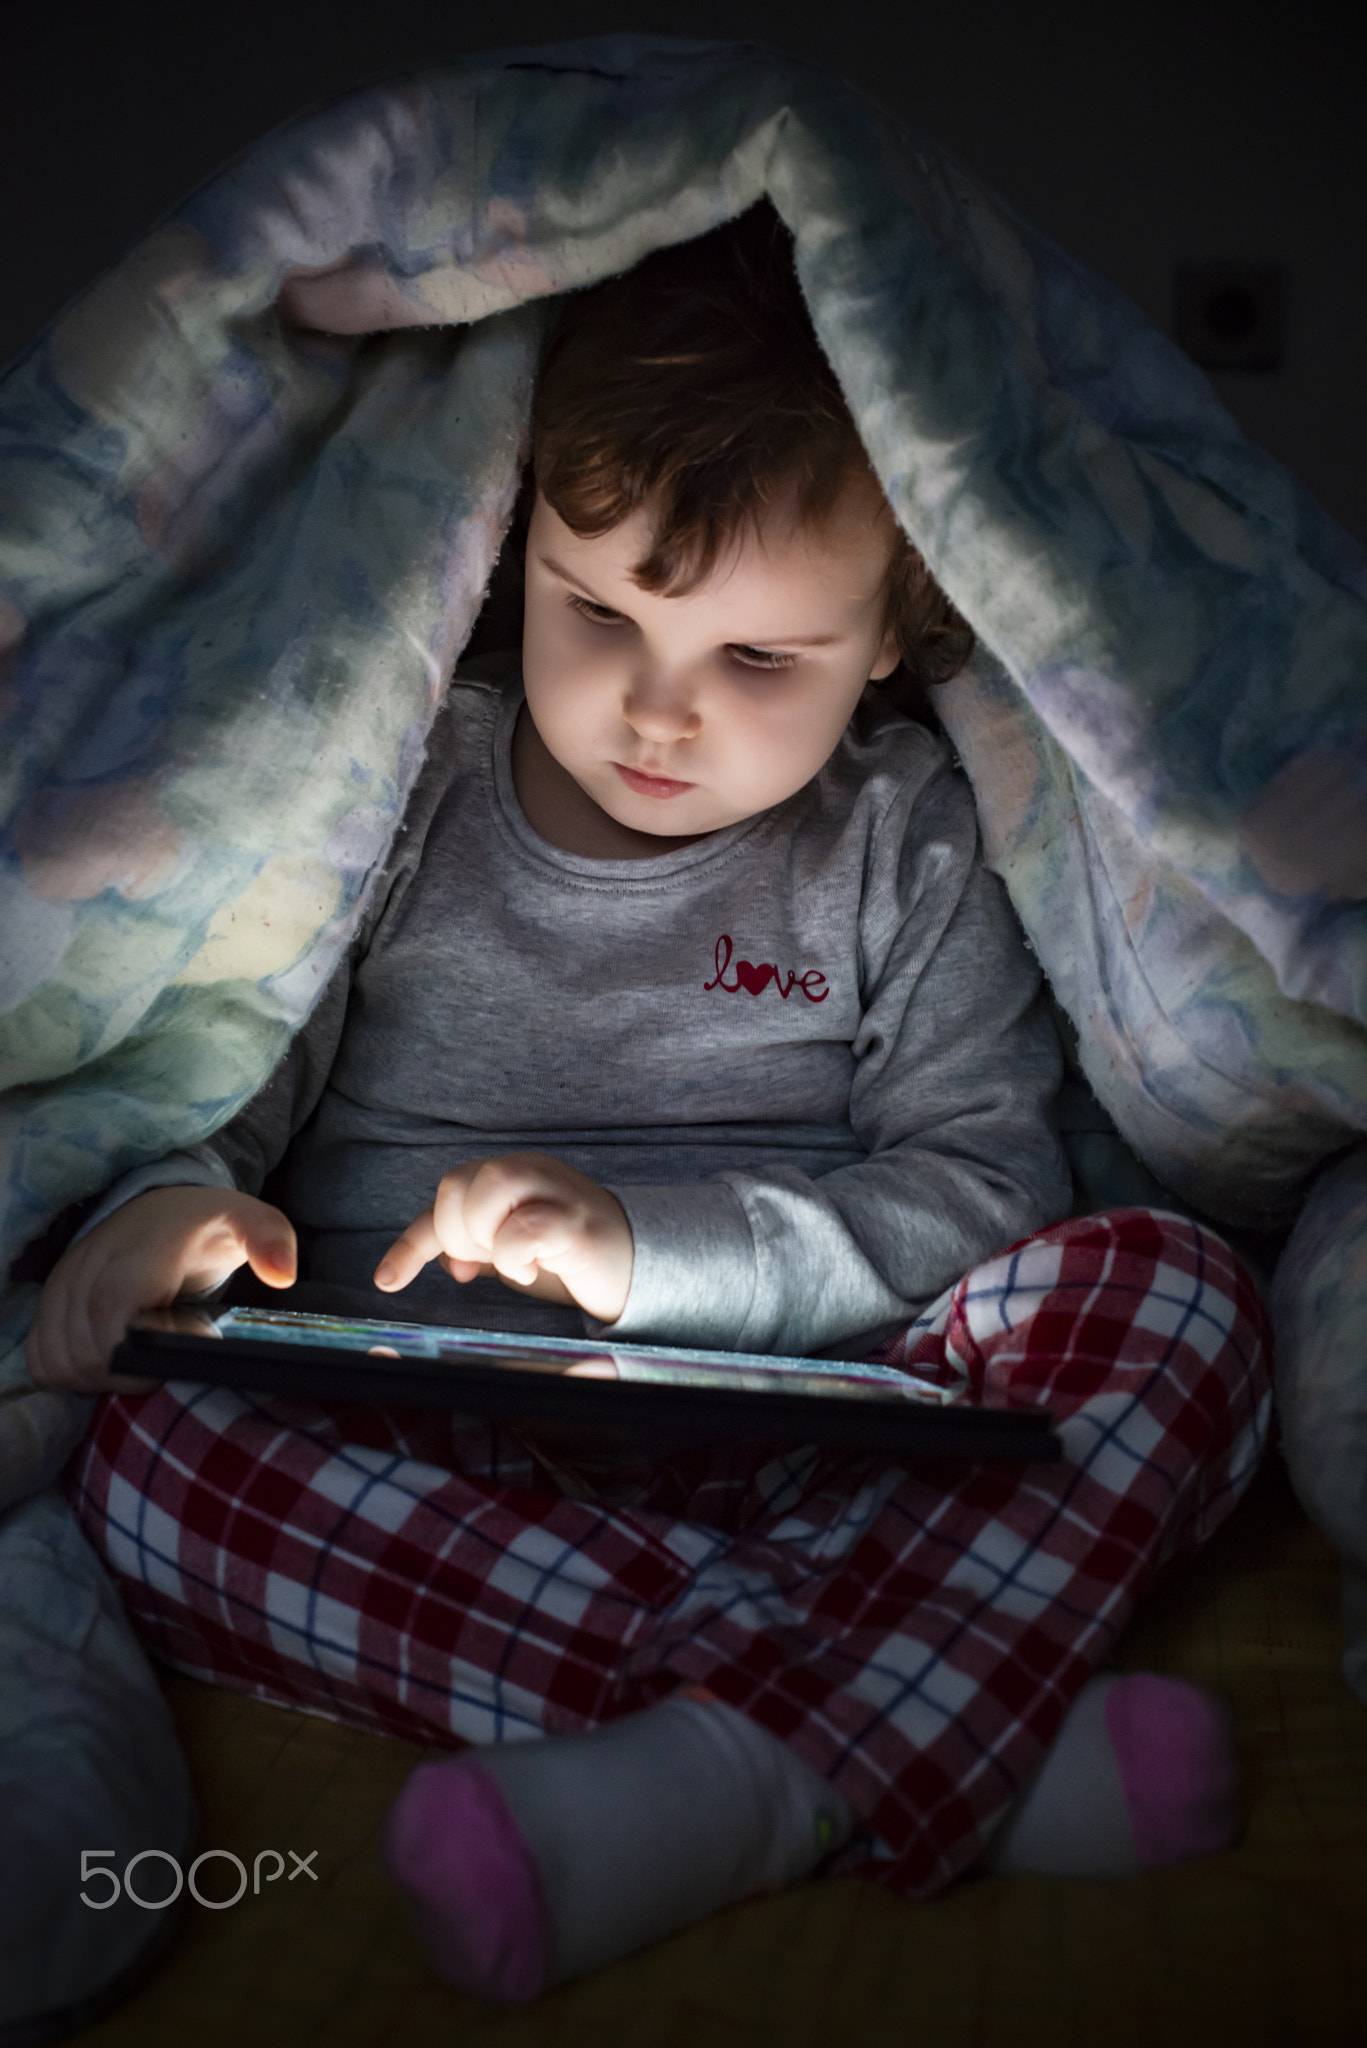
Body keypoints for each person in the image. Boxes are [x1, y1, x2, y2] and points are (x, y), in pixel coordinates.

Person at [31, 205, 1269, 2001]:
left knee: (1172, 1290)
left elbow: (981, 1182)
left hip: (823, 1430)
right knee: (151, 1461)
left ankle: (751, 1766)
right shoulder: (401, 794)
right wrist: (182, 1198)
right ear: (510, 547)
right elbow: (231, 1081)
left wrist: (645, 1252)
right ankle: (911, 1747)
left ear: (894, 633)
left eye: (758, 661)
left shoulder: (900, 837)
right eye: (593, 611)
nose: (653, 711)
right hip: (445, 1445)